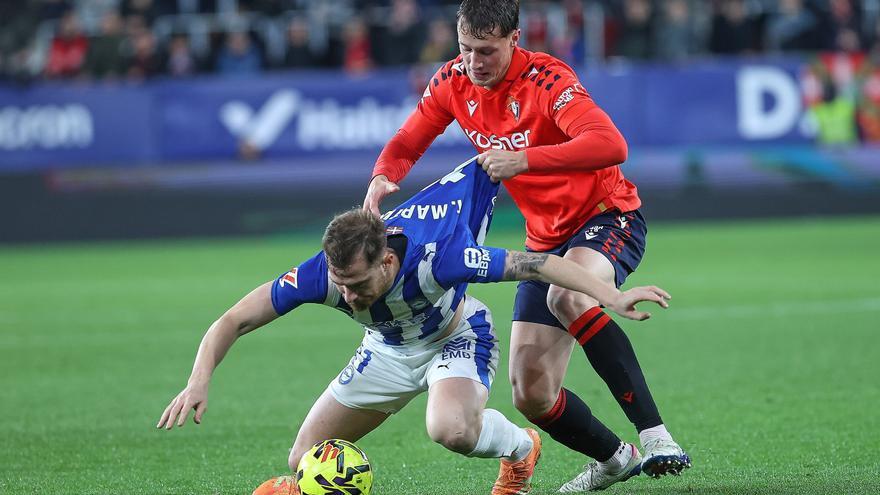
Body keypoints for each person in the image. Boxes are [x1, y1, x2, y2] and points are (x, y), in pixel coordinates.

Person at [158, 161, 671, 495]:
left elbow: (534, 266)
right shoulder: (322, 274)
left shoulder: (442, 258)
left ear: (385, 260)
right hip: (386, 351)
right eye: (341, 284)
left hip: (456, 337)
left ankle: (521, 450)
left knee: (447, 429)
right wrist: (199, 379)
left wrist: (611, 294)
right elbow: (233, 319)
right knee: (304, 462)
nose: (348, 294)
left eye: (358, 283)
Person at [362, 1, 691, 491]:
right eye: (466, 48)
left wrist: (525, 159)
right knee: (530, 394)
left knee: (568, 295)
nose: (474, 62)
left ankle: (658, 437)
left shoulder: (547, 81)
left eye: (487, 51)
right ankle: (615, 460)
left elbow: (611, 145)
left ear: (515, 39)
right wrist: (383, 177)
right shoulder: (454, 81)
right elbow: (410, 139)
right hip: (546, 238)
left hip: (607, 216)